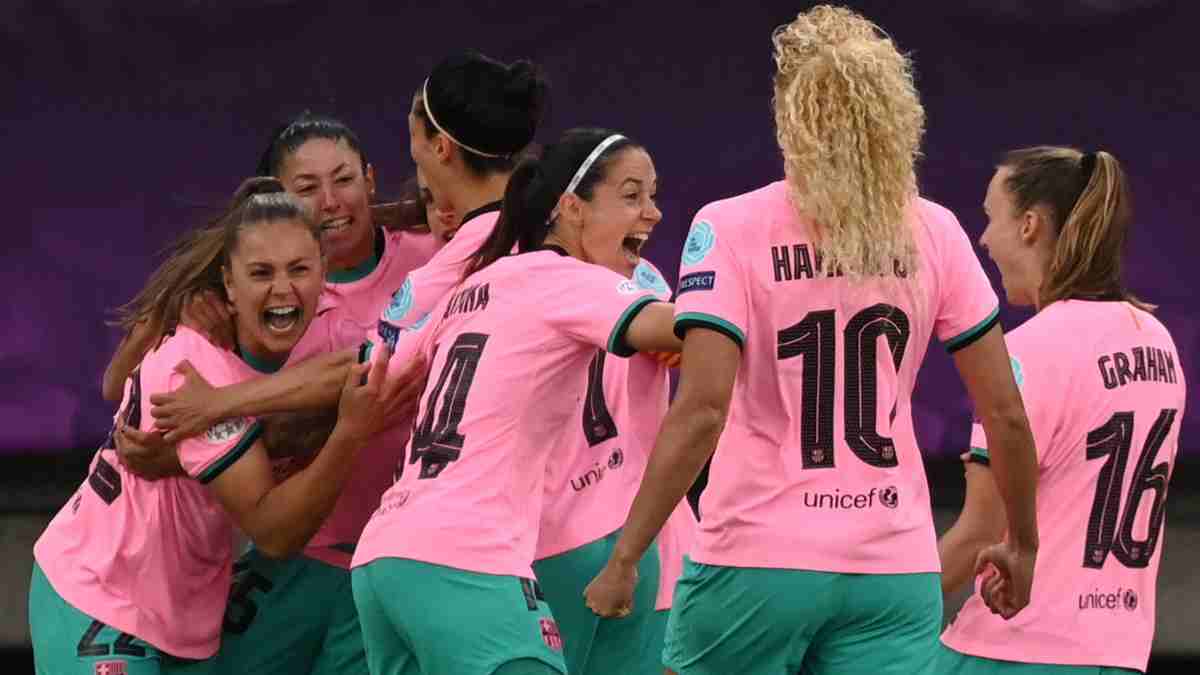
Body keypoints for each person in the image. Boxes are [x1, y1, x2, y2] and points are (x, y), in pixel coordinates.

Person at [584, 6, 1040, 674]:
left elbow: (703, 408)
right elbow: (1003, 412)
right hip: (893, 563)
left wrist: (626, 556)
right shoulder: (935, 231)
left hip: (758, 557)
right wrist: (1022, 541)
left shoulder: (729, 225)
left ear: (789, 114)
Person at [28, 178, 413, 674]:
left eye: (299, 269)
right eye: (261, 273)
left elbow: (363, 368)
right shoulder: (193, 365)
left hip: (186, 617)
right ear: (228, 286)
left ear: (325, 276)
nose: (282, 287)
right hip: (100, 592)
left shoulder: (316, 341)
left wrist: (228, 407)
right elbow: (273, 530)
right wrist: (348, 431)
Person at [106, 113, 442, 675]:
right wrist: (174, 442)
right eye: (306, 189)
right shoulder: (253, 290)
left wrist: (221, 410)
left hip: (399, 555)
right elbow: (121, 387)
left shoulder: (435, 256)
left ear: (372, 179)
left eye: (344, 180)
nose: (331, 201)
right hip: (297, 552)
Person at [349, 128, 681, 675]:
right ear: (572, 208)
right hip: (470, 555)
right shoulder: (565, 277)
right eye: (631, 196)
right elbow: (689, 330)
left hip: (384, 555)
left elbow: (376, 376)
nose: (653, 213)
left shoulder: (470, 286)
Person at [936, 147, 1185, 675]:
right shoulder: (1160, 344)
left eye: (989, 217)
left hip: (1011, 648)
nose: (983, 238)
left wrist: (879, 609)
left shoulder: (1026, 352)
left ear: (1028, 225)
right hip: (1117, 654)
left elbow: (982, 529)